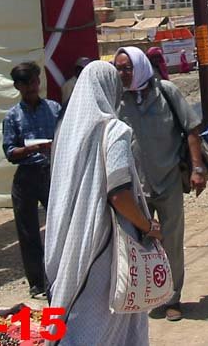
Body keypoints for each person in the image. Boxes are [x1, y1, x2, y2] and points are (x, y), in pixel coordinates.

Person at [45, 61, 160, 345]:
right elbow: (119, 194)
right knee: (109, 318)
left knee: (78, 317)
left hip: (72, 239)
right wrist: (148, 225)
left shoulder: (67, 132)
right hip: (105, 245)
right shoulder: (115, 131)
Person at [114, 46, 207, 322]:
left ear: (140, 67)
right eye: (118, 68)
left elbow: (191, 128)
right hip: (133, 188)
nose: (122, 74)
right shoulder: (116, 99)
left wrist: (198, 168)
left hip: (167, 181)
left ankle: (172, 298)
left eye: (127, 68)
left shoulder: (166, 92)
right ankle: (141, 296)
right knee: (134, 243)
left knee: (171, 241)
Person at [2, 62, 60, 298]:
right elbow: (9, 152)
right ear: (17, 86)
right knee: (28, 232)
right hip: (26, 177)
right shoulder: (12, 116)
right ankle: (37, 283)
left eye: (34, 81)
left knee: (59, 226)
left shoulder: (55, 109)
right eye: (25, 84)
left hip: (51, 173)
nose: (31, 87)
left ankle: (60, 276)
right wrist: (29, 149)